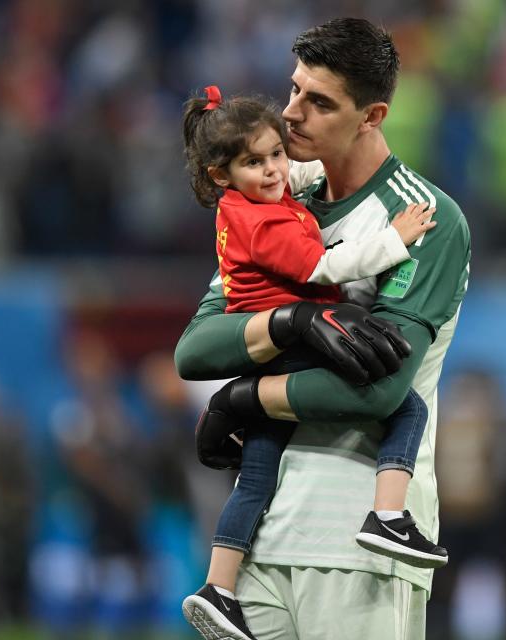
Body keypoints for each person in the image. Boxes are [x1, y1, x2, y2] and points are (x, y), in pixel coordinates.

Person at [174, 18, 471, 640]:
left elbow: (381, 391)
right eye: (294, 90)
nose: (290, 115)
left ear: (373, 114)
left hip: (359, 545)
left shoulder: (423, 218)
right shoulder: (276, 201)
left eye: (319, 101)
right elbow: (196, 348)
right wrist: (291, 320)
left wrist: (240, 396)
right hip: (258, 537)